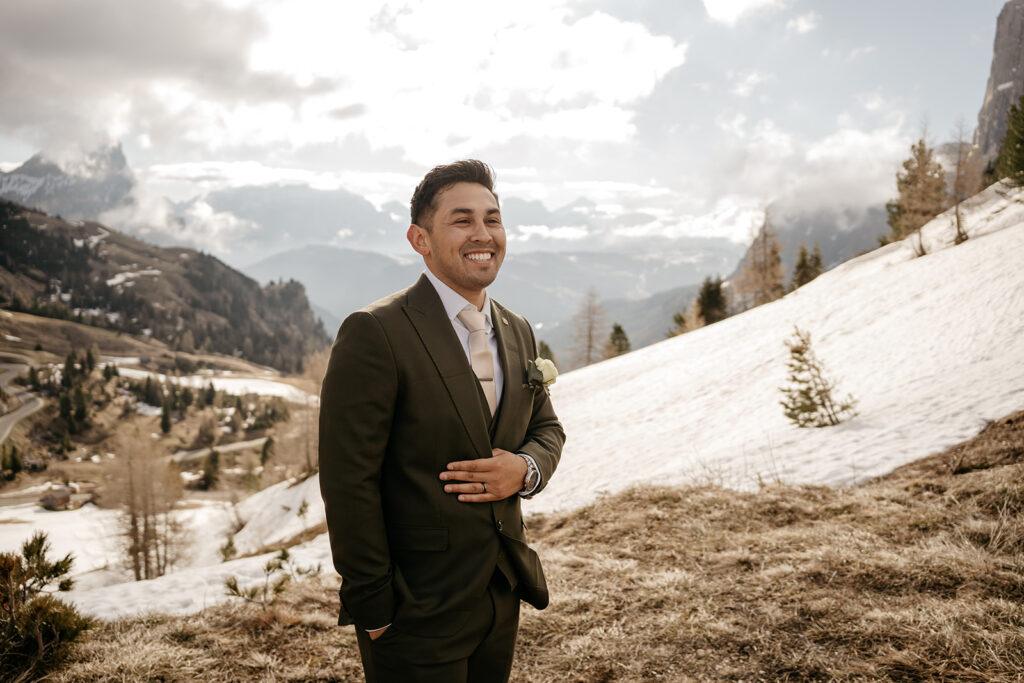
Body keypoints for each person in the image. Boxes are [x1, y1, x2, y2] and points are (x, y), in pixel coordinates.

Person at [319, 159, 565, 683]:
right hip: (414, 609)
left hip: (502, 591)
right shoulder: (375, 332)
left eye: (493, 219)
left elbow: (547, 429)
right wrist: (375, 608)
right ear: (420, 238)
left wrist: (524, 469)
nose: (484, 234)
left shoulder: (517, 330)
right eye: (462, 220)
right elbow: (348, 481)